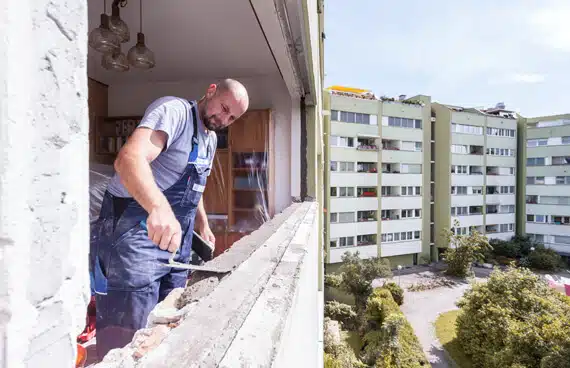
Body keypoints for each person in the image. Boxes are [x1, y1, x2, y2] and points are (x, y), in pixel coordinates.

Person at [90, 79, 249, 358]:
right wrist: (158, 208)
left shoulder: (210, 138)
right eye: (224, 108)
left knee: (165, 319)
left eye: (231, 117)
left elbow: (194, 184)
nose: (223, 119)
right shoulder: (173, 112)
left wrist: (203, 223)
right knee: (128, 332)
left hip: (177, 237)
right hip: (135, 230)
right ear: (211, 90)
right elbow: (128, 159)